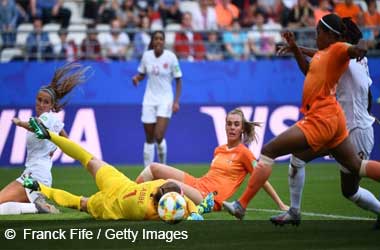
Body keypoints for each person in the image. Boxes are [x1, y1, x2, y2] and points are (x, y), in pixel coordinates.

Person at [223, 13, 380, 222]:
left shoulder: (339, 49)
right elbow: (309, 69)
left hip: (326, 120)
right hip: (335, 120)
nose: (315, 36)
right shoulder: (326, 54)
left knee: (269, 151)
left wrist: (361, 45)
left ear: (329, 34)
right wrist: (296, 48)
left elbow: (354, 50)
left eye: (317, 32)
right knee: (341, 167)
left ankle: (241, 205)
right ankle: (294, 212)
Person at [269, 17, 380, 226]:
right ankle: (294, 211)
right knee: (298, 158)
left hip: (356, 130)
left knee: (350, 190)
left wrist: (297, 48)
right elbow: (317, 62)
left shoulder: (348, 57)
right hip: (337, 127)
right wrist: (296, 48)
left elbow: (322, 57)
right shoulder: (351, 59)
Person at [23, 117, 208, 221]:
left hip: (116, 192)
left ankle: (48, 136)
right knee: (80, 202)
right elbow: (180, 204)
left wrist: (194, 211)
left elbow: (178, 197)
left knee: (87, 158)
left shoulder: (159, 187)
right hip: (114, 200)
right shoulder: (157, 213)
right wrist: (195, 212)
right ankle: (40, 187)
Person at [135, 108, 289, 211]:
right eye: (229, 124)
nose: (232, 127)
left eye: (236, 124)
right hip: (198, 185)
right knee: (154, 168)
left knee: (169, 185)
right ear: (225, 126)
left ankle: (140, 205)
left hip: (209, 199)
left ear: (242, 128)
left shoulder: (244, 153)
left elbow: (261, 178)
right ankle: (130, 193)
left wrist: (281, 205)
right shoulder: (219, 149)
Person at [0, 63, 89, 215]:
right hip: (36, 175)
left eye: (45, 102)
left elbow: (36, 125)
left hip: (35, 175)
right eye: (39, 100)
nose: (41, 104)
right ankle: (37, 206)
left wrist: (19, 123)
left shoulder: (47, 118)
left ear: (52, 105)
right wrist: (53, 148)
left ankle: (38, 207)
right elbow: (67, 143)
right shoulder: (54, 122)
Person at [132, 30, 182, 167]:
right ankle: (147, 171)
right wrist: (137, 78)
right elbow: (142, 73)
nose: (158, 41)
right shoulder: (147, 56)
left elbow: (178, 80)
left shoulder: (171, 57)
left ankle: (163, 166)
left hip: (165, 100)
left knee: (158, 136)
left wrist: (176, 101)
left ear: (164, 42)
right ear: (152, 41)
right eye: (156, 39)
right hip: (149, 99)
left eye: (161, 39)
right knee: (149, 138)